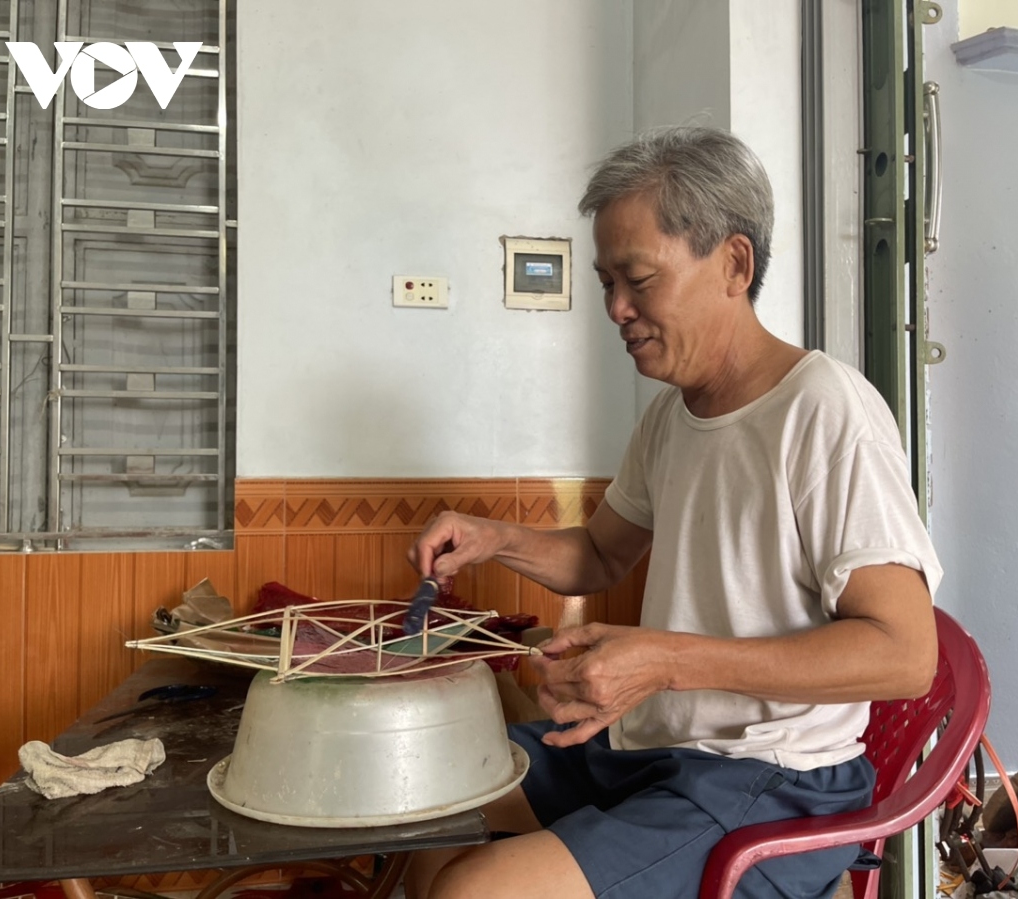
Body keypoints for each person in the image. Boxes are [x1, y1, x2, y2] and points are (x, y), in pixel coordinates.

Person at [403, 127, 941, 899]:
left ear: (733, 263)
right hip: (649, 751)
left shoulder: (824, 410)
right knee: (424, 813)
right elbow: (598, 555)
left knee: (474, 889)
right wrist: (491, 538)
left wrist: (665, 661)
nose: (617, 308)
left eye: (639, 279)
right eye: (605, 283)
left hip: (769, 781)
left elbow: (905, 653)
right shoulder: (671, 417)